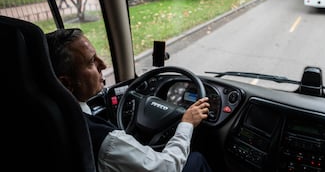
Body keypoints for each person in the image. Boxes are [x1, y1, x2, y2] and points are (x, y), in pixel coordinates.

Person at [46, 28, 213, 172]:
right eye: (91, 62)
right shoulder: (106, 140)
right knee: (196, 159)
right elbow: (166, 167)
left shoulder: (47, 113)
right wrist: (187, 123)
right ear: (67, 83)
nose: (103, 65)